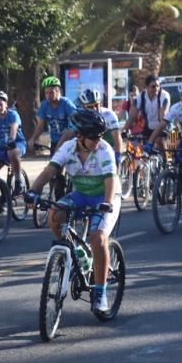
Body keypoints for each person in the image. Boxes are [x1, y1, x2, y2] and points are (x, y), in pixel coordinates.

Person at [26, 109, 119, 314]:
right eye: (94, 136)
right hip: (82, 194)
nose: (98, 140)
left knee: (98, 239)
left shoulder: (104, 150)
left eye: (100, 136)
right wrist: (33, 191)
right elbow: (50, 171)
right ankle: (77, 253)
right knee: (54, 214)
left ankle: (100, 293)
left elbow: (111, 180)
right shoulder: (68, 148)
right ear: (80, 136)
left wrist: (107, 202)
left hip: (105, 196)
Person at [59, 89, 123, 166]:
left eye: (96, 105)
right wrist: (56, 156)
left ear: (100, 103)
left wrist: (118, 155)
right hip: (88, 148)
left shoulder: (109, 115)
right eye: (90, 107)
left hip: (107, 147)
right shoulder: (79, 117)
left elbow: (117, 137)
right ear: (83, 107)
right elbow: (66, 136)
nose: (94, 109)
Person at [0, 91, 26, 192]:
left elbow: (14, 127)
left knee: (12, 152)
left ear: (6, 104)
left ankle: (18, 181)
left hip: (17, 144)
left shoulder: (13, 114)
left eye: (1, 104)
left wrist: (11, 139)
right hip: (1, 148)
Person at [33, 75, 77, 153]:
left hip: (70, 142)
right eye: (46, 93)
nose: (48, 95)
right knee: (53, 165)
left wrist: (61, 144)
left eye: (51, 92)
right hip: (55, 142)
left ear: (58, 91)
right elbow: (40, 126)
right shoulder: (44, 105)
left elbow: (74, 125)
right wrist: (33, 139)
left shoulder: (67, 104)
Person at [127, 75, 170, 148]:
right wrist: (124, 131)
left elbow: (163, 119)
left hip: (162, 127)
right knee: (136, 146)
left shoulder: (164, 96)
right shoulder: (140, 97)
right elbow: (132, 117)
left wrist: (151, 140)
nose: (156, 88)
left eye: (158, 86)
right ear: (146, 87)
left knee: (159, 140)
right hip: (148, 128)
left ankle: (165, 158)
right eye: (153, 86)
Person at [149, 81, 182, 163]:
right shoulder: (175, 108)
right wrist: (150, 142)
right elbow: (162, 124)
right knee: (173, 140)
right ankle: (170, 165)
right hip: (179, 131)